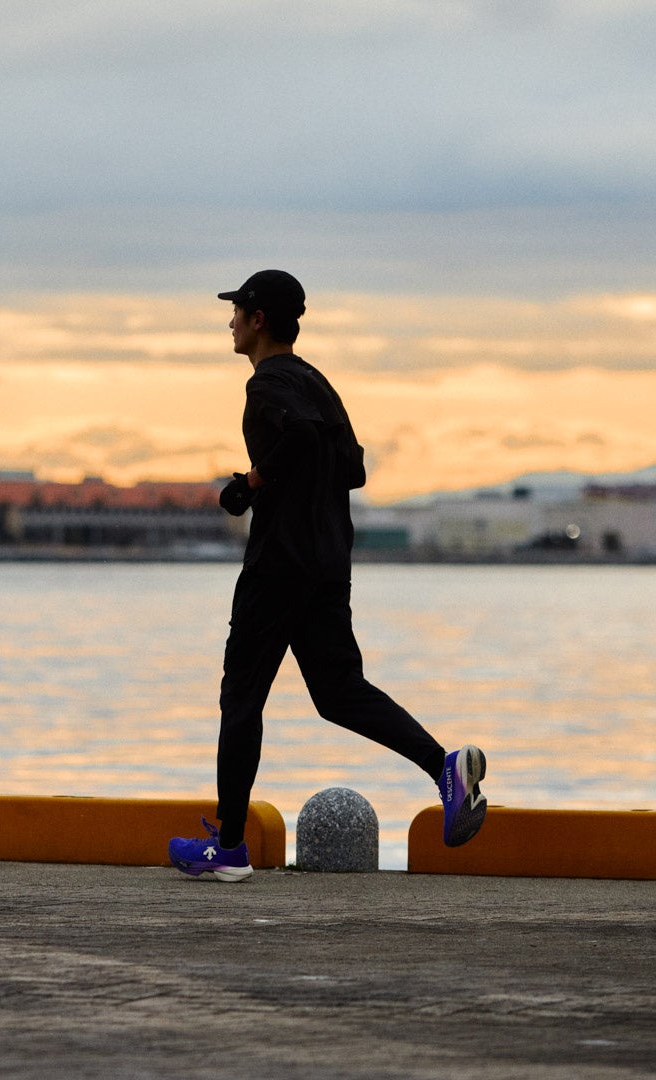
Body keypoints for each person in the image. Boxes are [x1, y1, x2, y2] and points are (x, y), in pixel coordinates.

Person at [169, 269, 487, 882]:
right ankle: (443, 768)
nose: (229, 323)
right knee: (339, 693)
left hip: (279, 565)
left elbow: (304, 438)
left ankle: (228, 848)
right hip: (328, 563)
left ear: (259, 319)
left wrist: (251, 482)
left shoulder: (268, 383)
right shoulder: (318, 382)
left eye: (236, 312)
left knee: (241, 698)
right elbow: (354, 468)